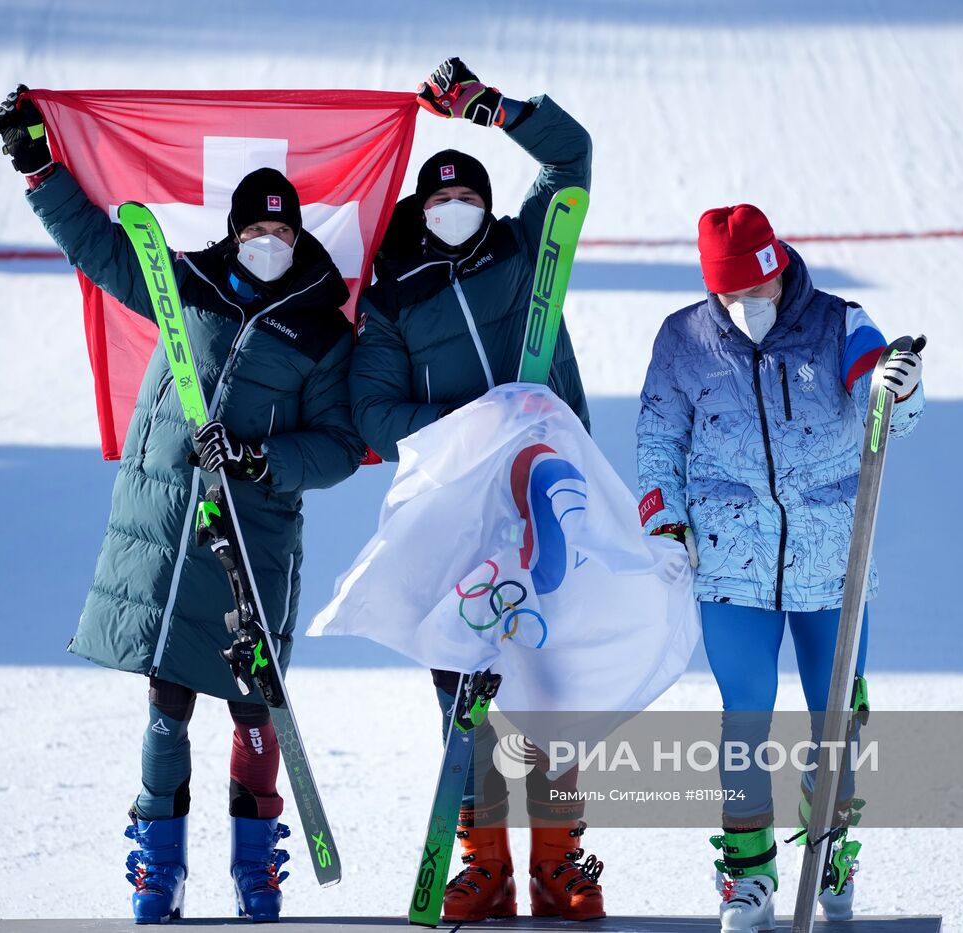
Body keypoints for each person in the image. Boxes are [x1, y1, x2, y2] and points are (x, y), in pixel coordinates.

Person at [0, 85, 365, 924]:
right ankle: (158, 865)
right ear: (234, 232)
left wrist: (260, 458)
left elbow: (340, 445)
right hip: (170, 529)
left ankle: (255, 865)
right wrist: (38, 166)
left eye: (281, 228)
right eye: (254, 228)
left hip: (253, 536)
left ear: (298, 233)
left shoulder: (322, 331)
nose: (267, 241)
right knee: (166, 699)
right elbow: (97, 245)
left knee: (253, 705)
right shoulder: (181, 285)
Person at [348, 59, 603, 922]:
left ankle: (560, 861)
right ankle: (484, 863)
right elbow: (373, 413)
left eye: (466, 199)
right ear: (421, 212)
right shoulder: (393, 298)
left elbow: (571, 160)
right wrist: (478, 419)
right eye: (438, 203)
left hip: (545, 498)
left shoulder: (524, 251)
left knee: (551, 684)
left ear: (484, 207)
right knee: (468, 691)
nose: (453, 213)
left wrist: (491, 109)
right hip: (453, 515)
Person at [635, 204, 924, 931]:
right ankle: (748, 874)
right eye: (730, 297)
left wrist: (900, 384)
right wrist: (664, 521)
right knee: (744, 721)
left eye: (758, 294)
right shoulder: (683, 339)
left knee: (837, 721)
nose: (747, 309)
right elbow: (657, 437)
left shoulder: (839, 321)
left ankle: (832, 845)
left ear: (779, 272)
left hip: (833, 565)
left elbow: (885, 399)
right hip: (734, 566)